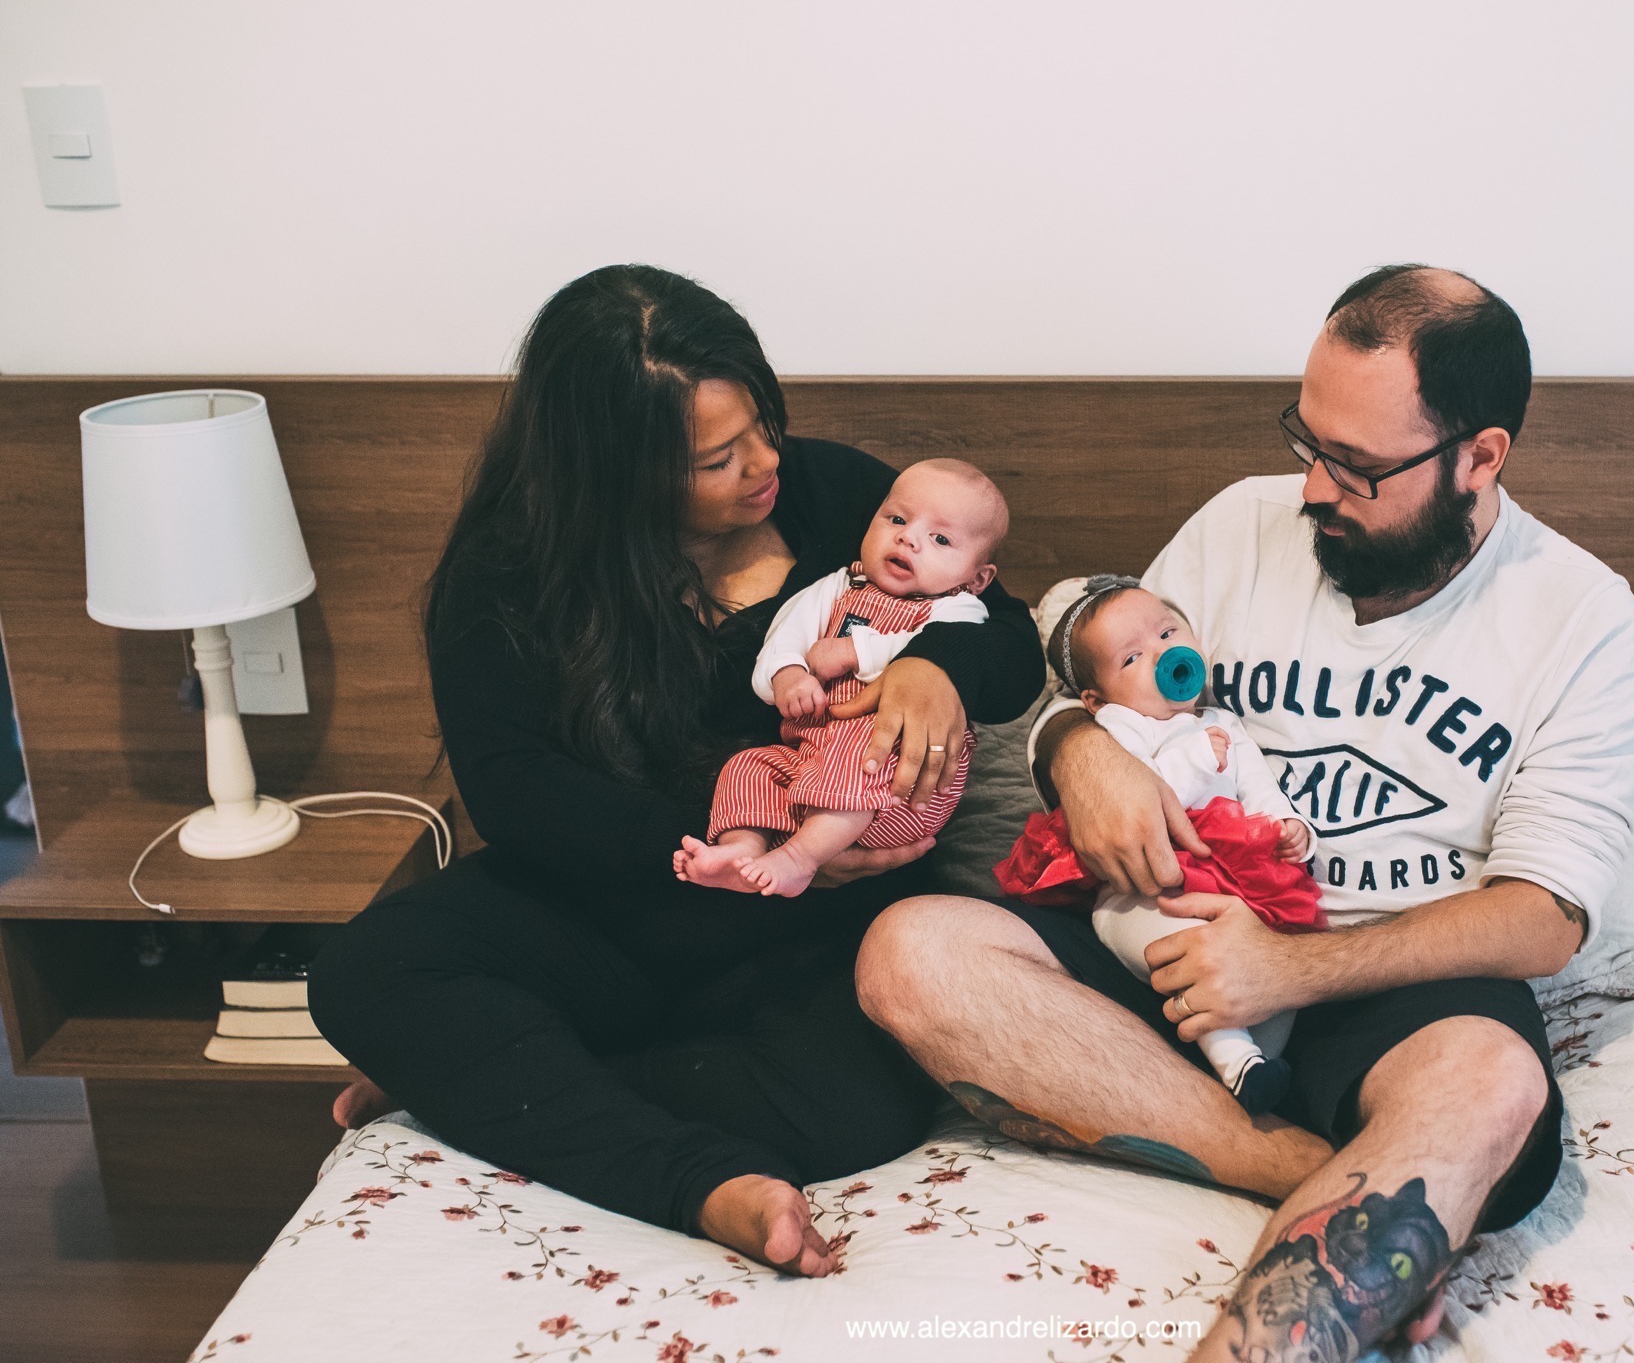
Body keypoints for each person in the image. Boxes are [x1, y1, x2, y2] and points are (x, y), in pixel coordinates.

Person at [857, 264, 1634, 1357]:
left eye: (1358, 466)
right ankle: (1330, 1176)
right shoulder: (1244, 521)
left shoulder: (1580, 616)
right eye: (1306, 441)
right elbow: (1091, 652)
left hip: (1380, 981)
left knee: (1490, 1081)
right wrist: (1075, 747)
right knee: (909, 949)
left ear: (1480, 455)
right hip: (1159, 932)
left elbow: (1544, 914)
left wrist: (1289, 969)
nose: (1315, 487)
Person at [307, 264, 1044, 1279]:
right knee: (361, 972)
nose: (761, 465)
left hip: (807, 928)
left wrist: (935, 666)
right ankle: (686, 1176)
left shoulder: (839, 498)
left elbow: (1007, 638)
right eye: (714, 458)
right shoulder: (509, 572)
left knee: (855, 1113)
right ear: (612, 474)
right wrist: (730, 839)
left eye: (761, 426)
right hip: (618, 908)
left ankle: (502, 1077)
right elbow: (514, 794)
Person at [994, 577, 1320, 1114]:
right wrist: (1195, 758)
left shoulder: (1223, 723)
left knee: (1273, 951)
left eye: (1169, 633)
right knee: (1183, 944)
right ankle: (1234, 1058)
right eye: (1132, 658)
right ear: (1096, 699)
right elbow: (1138, 797)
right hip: (1146, 886)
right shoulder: (1122, 725)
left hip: (1234, 876)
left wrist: (1290, 829)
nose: (1163, 654)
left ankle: (1260, 1068)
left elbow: (1260, 789)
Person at [676, 459, 1008, 898]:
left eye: (941, 539)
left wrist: (857, 651)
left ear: (977, 578)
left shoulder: (957, 607)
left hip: (898, 783)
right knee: (748, 766)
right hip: (808, 762)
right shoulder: (838, 586)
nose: (909, 538)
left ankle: (798, 858)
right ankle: (740, 853)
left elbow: (956, 646)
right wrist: (788, 675)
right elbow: (784, 638)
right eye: (897, 519)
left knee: (855, 749)